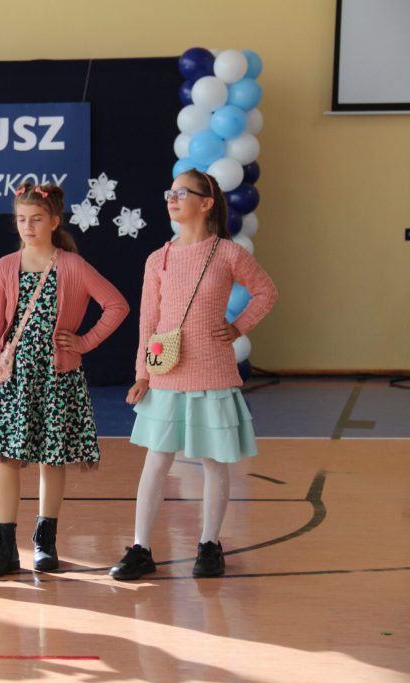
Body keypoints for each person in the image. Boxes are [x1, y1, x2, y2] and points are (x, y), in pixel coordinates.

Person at [110, 169, 277, 580]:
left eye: (182, 192)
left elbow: (266, 292)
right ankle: (141, 548)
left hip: (213, 374)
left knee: (214, 462)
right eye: (169, 192)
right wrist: (142, 374)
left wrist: (238, 327)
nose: (172, 197)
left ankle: (209, 544)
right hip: (166, 375)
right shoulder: (158, 259)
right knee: (156, 462)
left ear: (206, 203)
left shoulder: (228, 253)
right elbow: (148, 320)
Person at [0, 182, 129, 578]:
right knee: (6, 456)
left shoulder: (72, 266)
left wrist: (84, 342)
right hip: (16, 378)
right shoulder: (5, 267)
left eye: (37, 219)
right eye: (21, 220)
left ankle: (45, 541)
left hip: (57, 376)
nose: (28, 227)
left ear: (55, 222)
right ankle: (4, 546)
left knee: (52, 456)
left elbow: (117, 305)